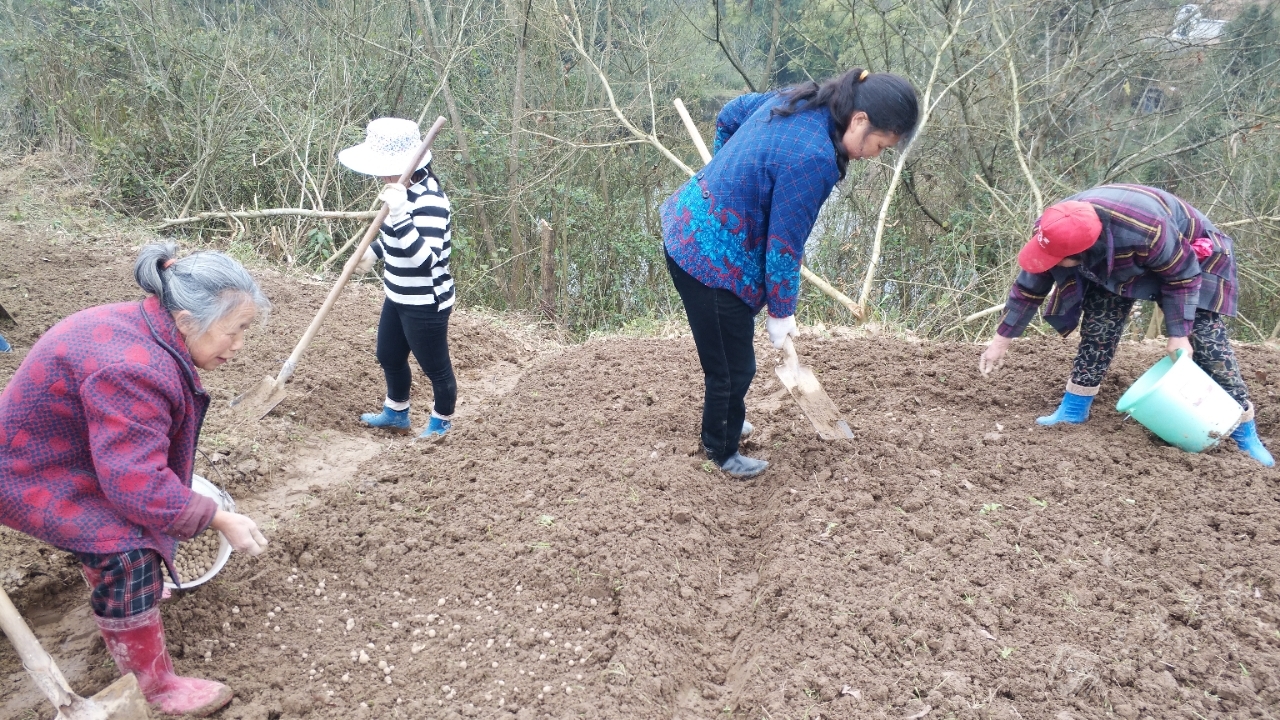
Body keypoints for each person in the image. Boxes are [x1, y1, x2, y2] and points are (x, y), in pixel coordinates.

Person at [0, 243, 272, 716]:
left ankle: (123, 591)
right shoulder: (133, 367)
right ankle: (155, 686)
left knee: (147, 513)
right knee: (127, 551)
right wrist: (218, 518)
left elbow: (133, 466)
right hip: (27, 471)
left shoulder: (147, 326)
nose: (240, 345)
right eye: (235, 331)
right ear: (187, 320)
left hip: (64, 454)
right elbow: (137, 486)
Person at [662, 69, 919, 479]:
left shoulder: (799, 100)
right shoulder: (815, 159)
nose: (875, 155)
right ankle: (721, 449)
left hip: (692, 222)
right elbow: (784, 247)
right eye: (880, 144)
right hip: (705, 260)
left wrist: (728, 169)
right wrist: (782, 313)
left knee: (732, 348)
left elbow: (731, 113)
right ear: (859, 120)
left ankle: (728, 416)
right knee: (732, 367)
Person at [978, 184, 1273, 467]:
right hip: (1114, 252)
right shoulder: (1055, 228)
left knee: (1207, 341)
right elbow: (1030, 284)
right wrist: (1001, 340)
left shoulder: (1148, 231)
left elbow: (1182, 278)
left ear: (1082, 252)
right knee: (1099, 325)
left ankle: (1243, 430)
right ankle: (1074, 408)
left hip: (1190, 256)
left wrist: (1178, 333)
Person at [339, 117, 458, 438]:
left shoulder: (430, 201)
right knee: (388, 355)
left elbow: (424, 260)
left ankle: (441, 422)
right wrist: (374, 252)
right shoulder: (400, 192)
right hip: (398, 293)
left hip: (425, 301)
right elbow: (394, 235)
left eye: (381, 166)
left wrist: (400, 212)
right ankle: (396, 413)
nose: (377, 174)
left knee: (435, 367)